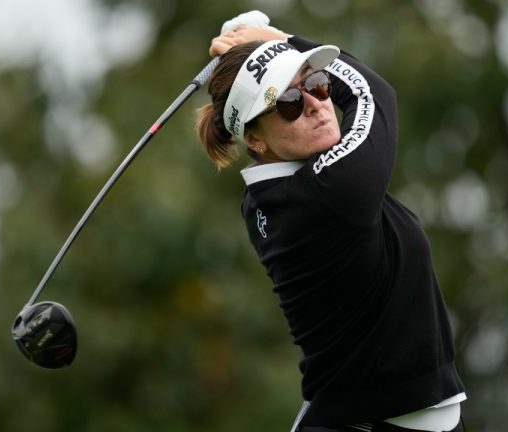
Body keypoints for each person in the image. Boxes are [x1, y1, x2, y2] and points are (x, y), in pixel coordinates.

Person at [195, 11, 467, 432]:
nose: (317, 105)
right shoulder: (331, 194)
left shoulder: (264, 198)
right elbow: (374, 96)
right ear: (254, 139)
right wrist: (283, 38)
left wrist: (278, 55)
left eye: (317, 85)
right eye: (288, 103)